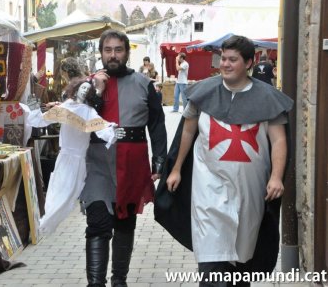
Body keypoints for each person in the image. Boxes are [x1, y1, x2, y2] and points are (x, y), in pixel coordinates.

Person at [155, 35, 293, 286]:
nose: (225, 64)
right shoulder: (203, 93)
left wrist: (276, 176)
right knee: (212, 258)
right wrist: (175, 169)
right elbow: (187, 131)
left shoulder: (268, 98)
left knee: (242, 259)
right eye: (223, 59)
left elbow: (279, 140)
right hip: (208, 187)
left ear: (249, 63)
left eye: (233, 60)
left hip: (249, 190)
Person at [80, 29, 167, 287]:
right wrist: (97, 90)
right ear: (101, 53)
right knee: (97, 223)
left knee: (124, 223)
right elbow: (80, 117)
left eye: (118, 50)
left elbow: (157, 123)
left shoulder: (144, 84)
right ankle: (96, 284)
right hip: (98, 162)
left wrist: (159, 159)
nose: (113, 55)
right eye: (108, 50)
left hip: (132, 163)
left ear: (127, 53)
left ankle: (119, 281)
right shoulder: (89, 85)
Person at [26, 78, 123, 234]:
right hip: (64, 156)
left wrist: (113, 132)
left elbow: (101, 127)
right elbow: (40, 121)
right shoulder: (65, 107)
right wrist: (34, 109)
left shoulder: (89, 111)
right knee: (56, 191)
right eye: (82, 87)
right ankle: (44, 222)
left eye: (87, 88)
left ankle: (45, 223)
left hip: (79, 160)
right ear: (75, 89)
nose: (84, 90)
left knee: (68, 195)